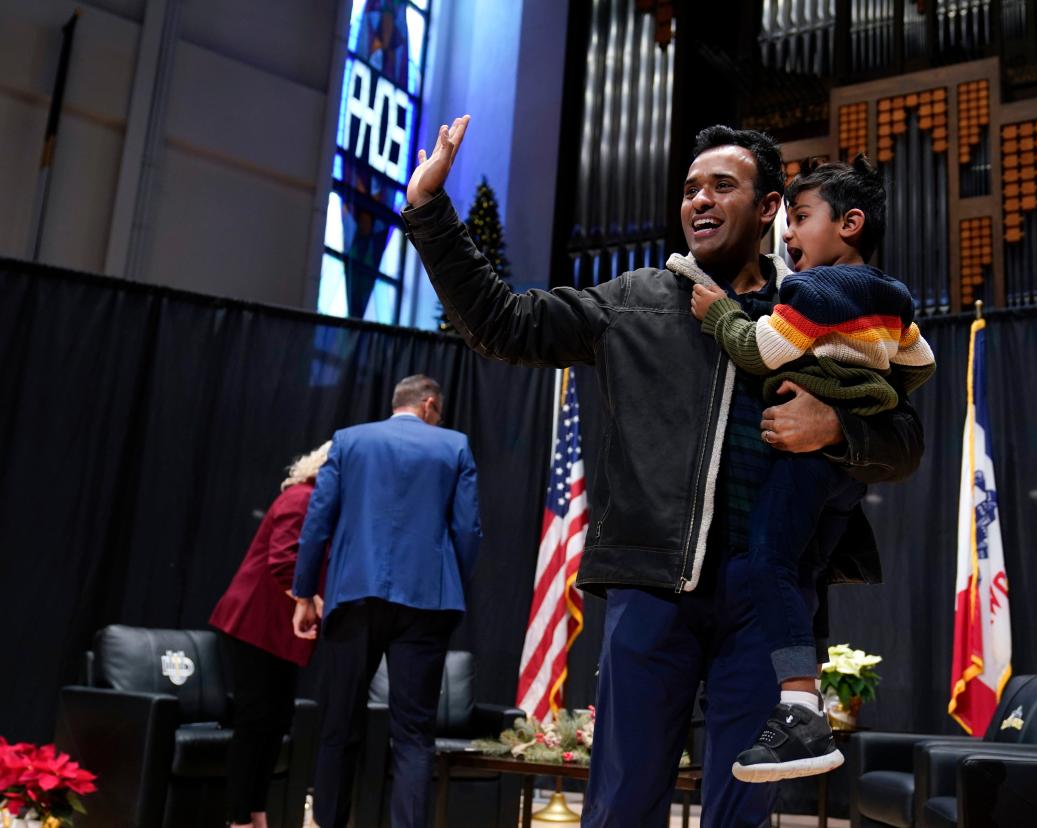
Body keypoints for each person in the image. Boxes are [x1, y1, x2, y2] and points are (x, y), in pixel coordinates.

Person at [401, 115, 923, 826]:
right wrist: (431, 211)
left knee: (741, 812)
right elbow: (501, 323)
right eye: (689, 190)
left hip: (768, 598)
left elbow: (904, 440)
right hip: (654, 588)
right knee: (622, 805)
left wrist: (838, 426)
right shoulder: (634, 300)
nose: (699, 201)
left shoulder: (821, 303)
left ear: (770, 207)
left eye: (722, 185)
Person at [688, 156, 935, 782]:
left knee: (766, 561)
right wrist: (867, 387)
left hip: (807, 465)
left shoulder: (812, 290)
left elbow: (759, 350)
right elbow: (921, 365)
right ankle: (803, 704)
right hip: (846, 477)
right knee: (800, 572)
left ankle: (800, 708)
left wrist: (720, 314)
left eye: (800, 219)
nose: (787, 236)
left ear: (849, 223)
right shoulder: (893, 294)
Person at [290, 375, 482, 828]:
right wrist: (454, 580)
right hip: (427, 602)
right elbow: (468, 531)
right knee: (414, 734)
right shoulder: (453, 447)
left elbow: (318, 521)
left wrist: (303, 592)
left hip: (354, 595)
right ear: (430, 404)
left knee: (338, 725)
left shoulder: (349, 441)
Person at [209, 442, 331, 828]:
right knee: (256, 722)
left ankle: (255, 812)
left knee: (276, 721)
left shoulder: (323, 507)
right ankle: (238, 819)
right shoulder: (301, 499)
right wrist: (313, 600)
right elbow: (283, 562)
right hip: (255, 624)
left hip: (280, 632)